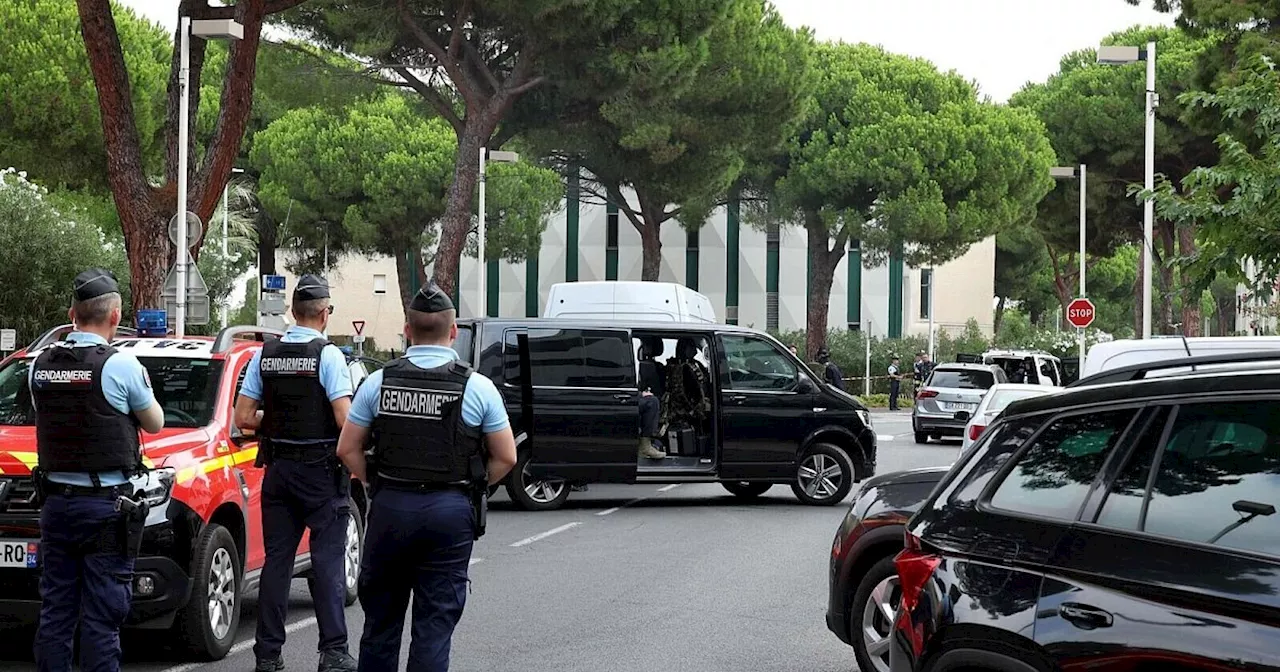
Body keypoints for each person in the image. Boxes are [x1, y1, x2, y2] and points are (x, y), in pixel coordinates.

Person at [336, 280, 517, 672]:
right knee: (434, 629)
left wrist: (373, 481)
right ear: (453, 332)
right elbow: (506, 456)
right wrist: (472, 484)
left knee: (380, 626)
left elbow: (347, 448)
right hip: (449, 512)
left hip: (390, 508)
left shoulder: (379, 382)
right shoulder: (478, 388)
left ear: (407, 330)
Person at [31, 268, 164, 672]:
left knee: (56, 611)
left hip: (55, 505)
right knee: (102, 616)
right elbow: (154, 422)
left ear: (72, 313)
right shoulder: (120, 366)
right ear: (115, 316)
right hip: (105, 509)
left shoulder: (41, 365)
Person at [234, 274, 357, 672]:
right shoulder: (329, 356)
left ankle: (268, 656)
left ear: (292, 312)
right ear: (323, 313)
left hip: (279, 471)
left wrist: (281, 419)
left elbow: (244, 417)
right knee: (326, 563)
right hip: (321, 472)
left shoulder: (264, 355)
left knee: (278, 563)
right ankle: (333, 652)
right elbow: (343, 420)